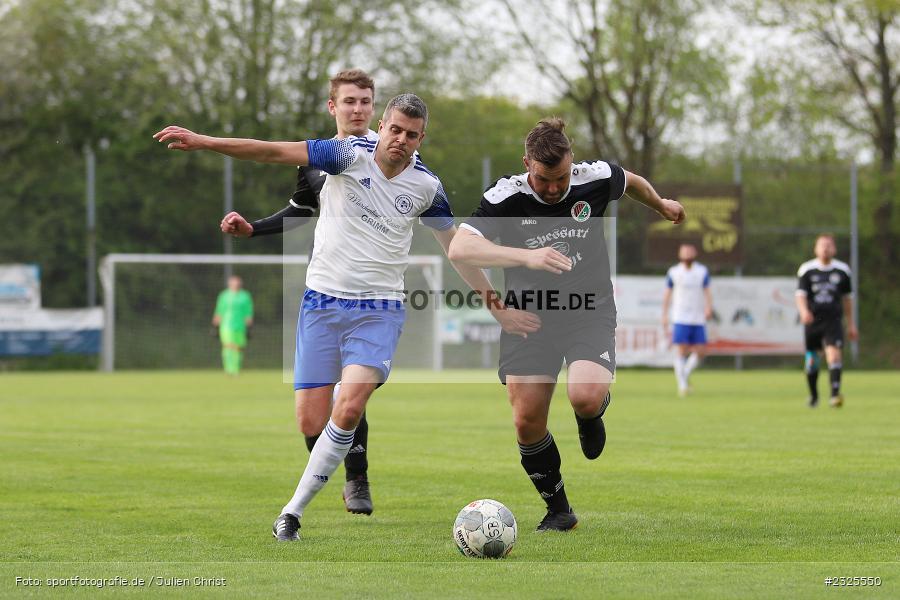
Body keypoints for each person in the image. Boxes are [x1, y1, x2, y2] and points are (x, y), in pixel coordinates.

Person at [154, 93, 536, 542]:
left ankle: (291, 514)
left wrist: (496, 306)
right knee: (310, 422)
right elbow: (273, 151)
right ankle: (336, 458)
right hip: (323, 302)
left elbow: (457, 250)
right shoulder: (344, 155)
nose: (400, 140)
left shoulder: (427, 187)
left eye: (411, 135)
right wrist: (203, 141)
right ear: (383, 124)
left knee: (350, 406)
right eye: (395, 129)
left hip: (380, 309)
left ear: (420, 138)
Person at [448, 118, 685, 531]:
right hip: (529, 317)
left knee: (586, 396)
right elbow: (460, 248)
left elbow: (631, 181)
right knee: (526, 420)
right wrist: (522, 265)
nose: (554, 189)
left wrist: (662, 205)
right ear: (527, 165)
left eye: (560, 178)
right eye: (543, 179)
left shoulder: (592, 179)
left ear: (571, 163)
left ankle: (590, 416)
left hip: (587, 308)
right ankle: (559, 510)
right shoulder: (506, 196)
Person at [218, 69, 380, 515]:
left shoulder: (387, 157)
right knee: (311, 417)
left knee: (351, 391)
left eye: (366, 101)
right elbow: (300, 210)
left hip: (372, 297)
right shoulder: (312, 160)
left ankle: (357, 477)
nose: (358, 109)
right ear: (333, 107)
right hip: (324, 293)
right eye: (349, 101)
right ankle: (336, 464)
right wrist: (253, 230)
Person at [795, 234, 857, 408]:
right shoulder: (807, 269)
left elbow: (847, 299)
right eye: (822, 245)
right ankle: (814, 396)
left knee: (834, 355)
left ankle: (835, 395)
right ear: (816, 249)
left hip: (833, 320)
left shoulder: (842, 270)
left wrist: (851, 323)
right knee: (812, 362)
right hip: (813, 321)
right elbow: (800, 296)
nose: (825, 248)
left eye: (829, 245)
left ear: (834, 249)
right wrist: (804, 311)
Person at [661, 243, 713, 396]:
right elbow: (667, 293)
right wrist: (664, 314)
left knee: (701, 351)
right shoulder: (674, 272)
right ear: (680, 255)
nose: (687, 254)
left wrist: (709, 307)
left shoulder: (701, 271)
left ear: (695, 254)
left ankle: (684, 373)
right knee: (682, 350)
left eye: (690, 251)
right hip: (680, 317)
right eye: (684, 252)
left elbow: (707, 290)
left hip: (698, 317)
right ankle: (682, 385)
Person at [212, 275, 254, 375]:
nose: (235, 284)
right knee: (228, 346)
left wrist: (249, 318)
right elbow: (219, 309)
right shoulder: (224, 295)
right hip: (226, 325)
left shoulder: (245, 296)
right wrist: (216, 318)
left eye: (237, 282)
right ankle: (228, 369)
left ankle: (236, 369)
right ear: (230, 284)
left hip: (240, 325)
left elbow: (248, 309)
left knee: (238, 347)